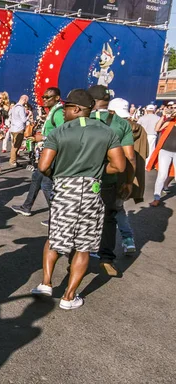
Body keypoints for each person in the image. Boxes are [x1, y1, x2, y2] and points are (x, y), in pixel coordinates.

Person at [30, 89, 125, 310]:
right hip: (92, 191)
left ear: (77, 109)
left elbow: (43, 166)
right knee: (83, 247)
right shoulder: (107, 132)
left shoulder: (59, 132)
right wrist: (99, 170)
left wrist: (61, 175)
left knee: (54, 237)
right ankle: (69, 296)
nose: (62, 113)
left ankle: (46, 283)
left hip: (64, 190)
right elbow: (119, 165)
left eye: (65, 108)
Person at [88, 85, 136, 277]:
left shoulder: (81, 120)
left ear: (91, 101)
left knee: (81, 218)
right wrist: (129, 182)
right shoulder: (121, 123)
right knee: (108, 218)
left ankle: (75, 259)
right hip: (109, 179)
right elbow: (130, 157)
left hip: (81, 179)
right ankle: (106, 258)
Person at [11, 87, 64, 221]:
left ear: (57, 98)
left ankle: (57, 217)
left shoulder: (58, 113)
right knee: (36, 178)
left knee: (46, 185)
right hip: (47, 152)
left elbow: (63, 134)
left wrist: (43, 138)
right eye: (43, 97)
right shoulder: (53, 112)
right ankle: (26, 207)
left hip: (53, 153)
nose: (44, 100)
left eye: (48, 97)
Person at [108, 98, 149, 254]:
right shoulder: (141, 129)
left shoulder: (112, 127)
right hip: (128, 177)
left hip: (111, 173)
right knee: (118, 209)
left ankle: (101, 247)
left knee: (103, 211)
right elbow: (142, 154)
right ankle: (128, 240)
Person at [147, 102, 176, 207]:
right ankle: (156, 198)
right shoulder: (169, 122)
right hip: (165, 151)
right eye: (171, 108)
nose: (173, 109)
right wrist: (163, 116)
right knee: (162, 175)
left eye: (175, 108)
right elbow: (157, 129)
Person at [7, 95, 29, 167]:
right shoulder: (21, 108)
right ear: (24, 100)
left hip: (13, 129)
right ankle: (12, 161)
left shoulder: (14, 107)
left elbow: (10, 115)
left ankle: (14, 160)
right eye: (26, 101)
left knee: (14, 145)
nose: (26, 103)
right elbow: (23, 120)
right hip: (19, 129)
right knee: (16, 146)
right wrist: (29, 115)